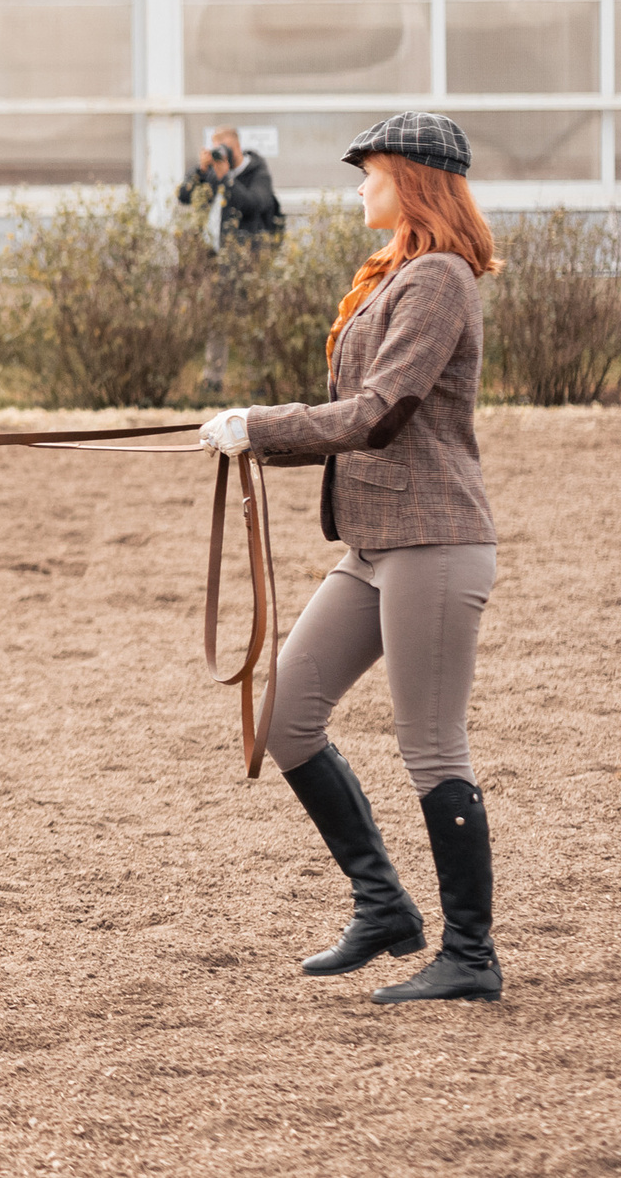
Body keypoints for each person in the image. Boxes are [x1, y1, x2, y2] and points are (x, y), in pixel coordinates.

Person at [199, 112, 503, 1005]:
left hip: (435, 540)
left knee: (432, 743)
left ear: (412, 179)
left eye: (370, 172)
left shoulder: (440, 279)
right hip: (375, 545)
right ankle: (384, 907)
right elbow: (359, 409)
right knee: (286, 713)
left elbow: (380, 411)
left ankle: (471, 955)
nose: (359, 187)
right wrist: (253, 433)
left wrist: (260, 428)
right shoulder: (401, 274)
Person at [179, 127, 285, 394]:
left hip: (248, 258)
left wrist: (226, 178)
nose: (221, 154)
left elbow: (253, 204)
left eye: (224, 148)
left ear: (237, 147)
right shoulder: (213, 172)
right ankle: (212, 378)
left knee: (251, 318)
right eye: (216, 149)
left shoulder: (257, 172)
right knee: (217, 319)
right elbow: (184, 196)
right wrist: (201, 171)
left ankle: (258, 380)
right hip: (217, 259)